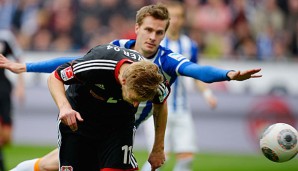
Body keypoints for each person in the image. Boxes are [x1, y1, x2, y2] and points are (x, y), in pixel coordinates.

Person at [3, 3, 262, 171]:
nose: (153, 37)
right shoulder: (112, 50)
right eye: (149, 30)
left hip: (126, 125)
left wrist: (228, 75)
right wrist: (27, 67)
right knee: (55, 163)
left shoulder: (166, 63)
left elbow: (197, 71)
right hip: (92, 118)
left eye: (159, 32)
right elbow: (76, 64)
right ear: (137, 28)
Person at [50, 43, 169, 171]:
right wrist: (65, 108)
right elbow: (55, 77)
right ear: (123, 81)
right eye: (134, 99)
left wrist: (158, 147)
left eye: (140, 101)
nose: (136, 104)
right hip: (79, 120)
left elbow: (161, 104)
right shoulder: (98, 62)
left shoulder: (154, 80)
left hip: (119, 124)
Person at [141, 1, 216, 171]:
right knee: (159, 159)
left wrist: (207, 94)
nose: (175, 20)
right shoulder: (155, 42)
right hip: (156, 109)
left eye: (179, 16)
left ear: (183, 20)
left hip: (182, 108)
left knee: (187, 157)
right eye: (172, 16)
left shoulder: (190, 45)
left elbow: (196, 74)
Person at [0, 29, 25, 171]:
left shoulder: (5, 36)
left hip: (3, 89)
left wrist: (21, 86)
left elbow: (18, 58)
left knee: (6, 137)